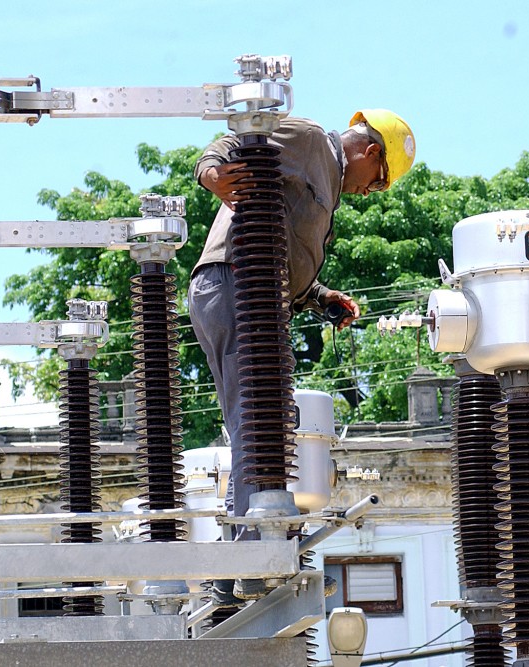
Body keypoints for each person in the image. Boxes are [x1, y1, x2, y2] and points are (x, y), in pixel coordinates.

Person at [188, 109, 415, 601]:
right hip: (231, 285)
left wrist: (318, 296)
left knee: (260, 424)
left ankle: (235, 570)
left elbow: (281, 238)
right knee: (260, 421)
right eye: (377, 183)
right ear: (371, 152)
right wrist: (210, 173)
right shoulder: (310, 138)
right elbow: (232, 145)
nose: (369, 193)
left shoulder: (325, 175)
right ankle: (248, 559)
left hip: (253, 292)